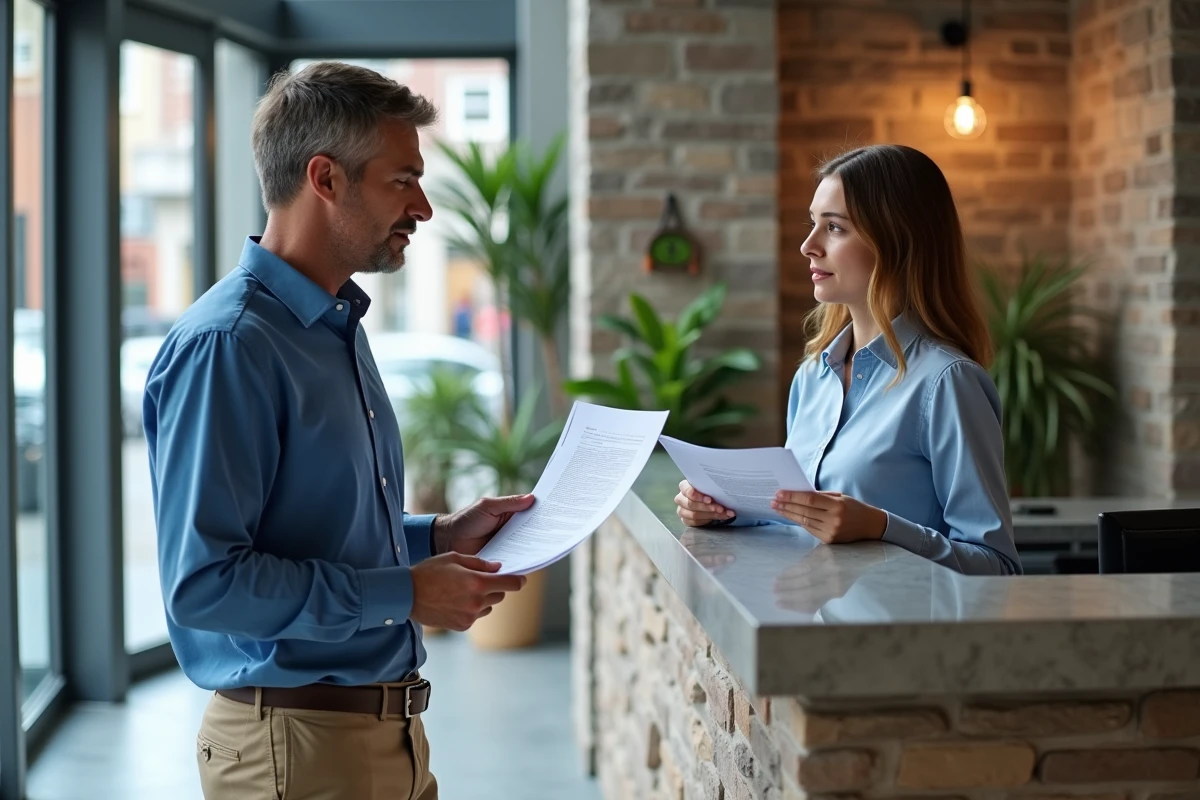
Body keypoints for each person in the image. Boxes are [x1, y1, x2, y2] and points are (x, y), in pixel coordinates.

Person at [144, 62, 532, 800]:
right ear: (325, 178)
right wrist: (404, 593)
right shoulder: (230, 345)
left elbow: (317, 533)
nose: (422, 207)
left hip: (385, 738)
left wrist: (437, 538)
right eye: (402, 180)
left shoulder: (335, 326)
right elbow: (206, 584)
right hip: (296, 752)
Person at [675, 144, 1021, 576]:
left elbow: (997, 567)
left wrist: (882, 527)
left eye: (835, 228)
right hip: (807, 615)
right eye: (813, 224)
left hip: (896, 621)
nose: (808, 246)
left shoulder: (948, 383)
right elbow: (802, 520)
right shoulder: (812, 377)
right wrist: (721, 510)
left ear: (897, 241)